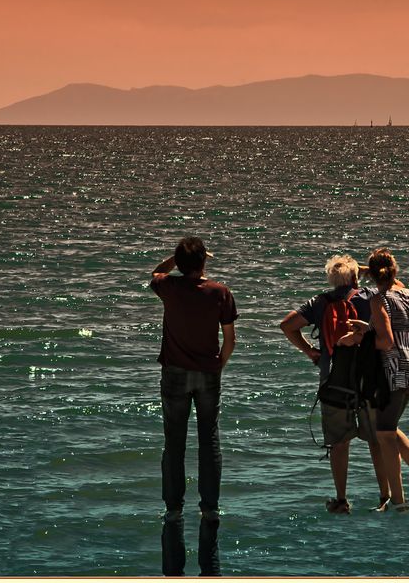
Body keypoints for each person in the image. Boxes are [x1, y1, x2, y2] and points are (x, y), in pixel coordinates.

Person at [150, 236, 238, 576]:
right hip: (208, 374)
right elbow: (229, 339)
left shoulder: (169, 288)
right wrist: (219, 363)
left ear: (179, 262)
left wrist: (174, 260)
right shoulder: (219, 292)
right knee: (209, 440)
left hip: (174, 374)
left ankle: (173, 509)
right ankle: (209, 508)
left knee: (174, 443)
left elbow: (154, 273)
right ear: (204, 262)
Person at [279, 255, 383, 514]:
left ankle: (341, 500)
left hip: (333, 381)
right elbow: (398, 286)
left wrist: (311, 352)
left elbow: (287, 325)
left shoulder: (319, 302)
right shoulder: (369, 296)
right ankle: (385, 496)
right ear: (355, 276)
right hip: (368, 380)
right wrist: (366, 270)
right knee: (377, 440)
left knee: (339, 443)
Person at [363, 248, 409, 512]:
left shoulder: (377, 300)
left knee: (384, 434)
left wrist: (362, 336)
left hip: (394, 373)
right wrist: (371, 272)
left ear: (372, 275)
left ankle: (398, 502)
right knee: (390, 429)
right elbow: (394, 289)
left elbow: (385, 341)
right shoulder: (407, 294)